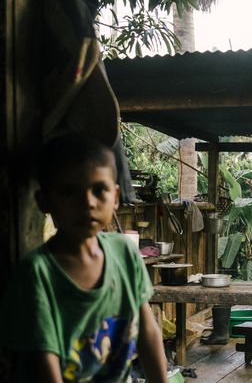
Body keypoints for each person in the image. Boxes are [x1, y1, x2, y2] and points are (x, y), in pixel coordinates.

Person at [0, 135, 167, 382]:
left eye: (99, 190)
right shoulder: (37, 272)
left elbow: (147, 331)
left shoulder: (125, 253)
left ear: (116, 197)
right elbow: (45, 365)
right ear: (44, 201)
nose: (88, 202)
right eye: (69, 192)